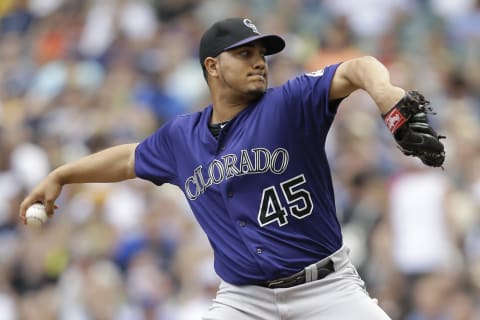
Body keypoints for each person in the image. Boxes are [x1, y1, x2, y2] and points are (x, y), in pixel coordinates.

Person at [20, 18, 445, 319]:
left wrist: (389, 99)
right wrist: (61, 174)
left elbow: (358, 68)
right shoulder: (180, 138)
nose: (259, 61)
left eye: (262, 54)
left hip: (326, 289)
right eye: (245, 54)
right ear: (212, 66)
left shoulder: (289, 104)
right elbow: (128, 159)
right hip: (245, 302)